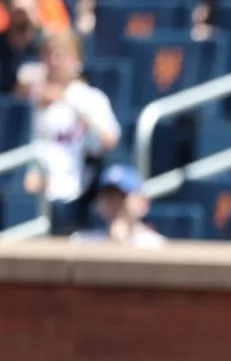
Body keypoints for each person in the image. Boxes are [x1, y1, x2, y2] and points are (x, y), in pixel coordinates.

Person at [21, 28, 120, 231]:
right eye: (49, 53)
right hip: (30, 183)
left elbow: (109, 140)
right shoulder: (30, 95)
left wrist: (68, 101)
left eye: (62, 54)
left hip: (70, 189)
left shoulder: (89, 97)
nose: (55, 60)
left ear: (77, 59)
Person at [69, 164, 165, 248]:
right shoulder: (82, 242)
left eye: (121, 197)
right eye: (108, 196)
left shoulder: (156, 244)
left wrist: (124, 244)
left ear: (142, 203)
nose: (114, 203)